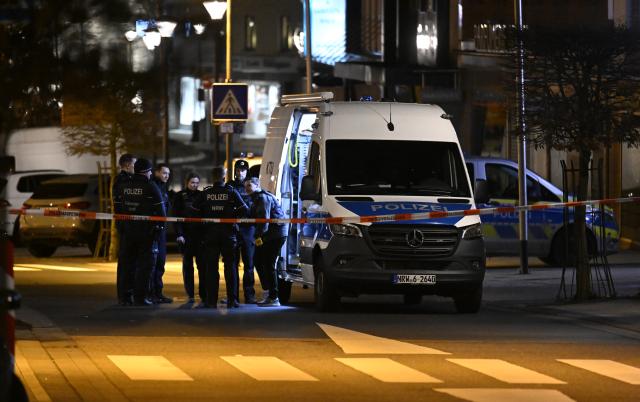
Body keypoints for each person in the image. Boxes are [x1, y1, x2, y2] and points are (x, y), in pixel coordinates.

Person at [191, 166, 247, 308]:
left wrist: (204, 217)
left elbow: (193, 209)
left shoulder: (206, 193)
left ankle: (211, 301)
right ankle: (232, 300)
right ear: (224, 177)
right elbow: (244, 209)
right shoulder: (231, 192)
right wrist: (233, 217)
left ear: (212, 178)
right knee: (230, 267)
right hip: (229, 234)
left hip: (210, 234)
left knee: (211, 268)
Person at [118, 158, 166, 306]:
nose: (151, 173)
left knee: (127, 265)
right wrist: (158, 229)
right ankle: (141, 297)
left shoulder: (124, 186)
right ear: (146, 172)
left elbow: (118, 210)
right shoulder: (150, 186)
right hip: (146, 233)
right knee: (145, 266)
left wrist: (122, 229)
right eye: (150, 171)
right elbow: (161, 212)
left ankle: (125, 297)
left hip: (128, 232)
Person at [245, 177, 288, 307]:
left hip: (275, 234)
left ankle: (273, 297)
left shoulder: (263, 198)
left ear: (257, 185)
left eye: (249, 186)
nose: (246, 188)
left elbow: (264, 221)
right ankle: (269, 292)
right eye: (245, 186)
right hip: (269, 234)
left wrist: (258, 237)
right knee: (259, 261)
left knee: (268, 264)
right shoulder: (255, 198)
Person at [227, 159, 257, 304]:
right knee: (232, 264)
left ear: (247, 171)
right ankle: (233, 296)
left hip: (248, 230)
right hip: (233, 229)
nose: (240, 172)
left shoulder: (252, 186)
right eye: (238, 170)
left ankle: (249, 295)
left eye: (243, 170)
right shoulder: (229, 186)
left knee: (249, 264)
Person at [173, 172, 205, 304]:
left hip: (199, 236)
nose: (195, 185)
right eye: (193, 182)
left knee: (202, 266)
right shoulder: (180, 196)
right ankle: (190, 293)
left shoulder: (201, 195)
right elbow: (176, 217)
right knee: (187, 266)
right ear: (187, 183)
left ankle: (203, 293)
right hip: (185, 236)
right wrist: (179, 234)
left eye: (197, 183)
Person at [112, 153, 136, 306]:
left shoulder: (124, 180)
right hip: (126, 225)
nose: (136, 167)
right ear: (127, 165)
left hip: (126, 224)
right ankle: (124, 295)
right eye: (134, 164)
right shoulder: (123, 181)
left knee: (128, 261)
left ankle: (127, 294)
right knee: (126, 262)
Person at [150, 163, 172, 304]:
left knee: (160, 263)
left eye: (168, 174)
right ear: (156, 172)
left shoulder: (163, 188)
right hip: (153, 230)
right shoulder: (152, 186)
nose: (166, 176)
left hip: (161, 230)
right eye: (164, 173)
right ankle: (151, 293)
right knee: (153, 263)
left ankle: (158, 293)